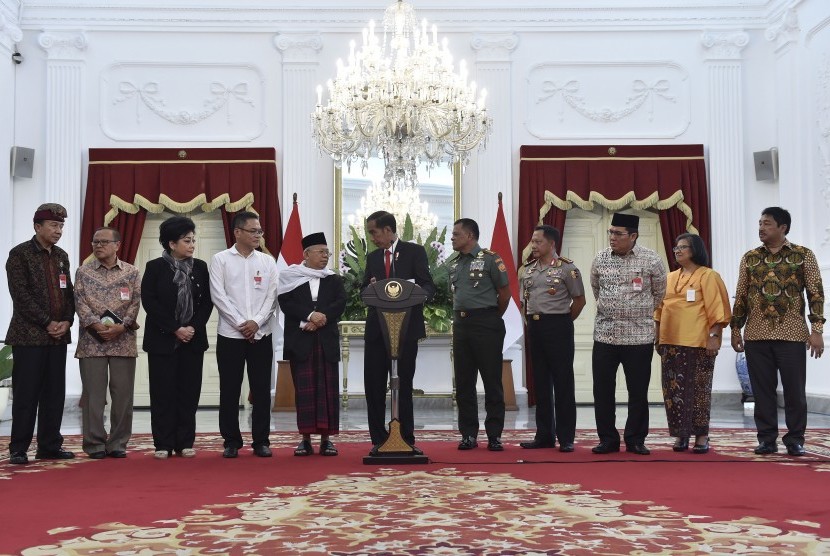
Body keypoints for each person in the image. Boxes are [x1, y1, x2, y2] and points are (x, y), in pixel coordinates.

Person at [731, 207, 825, 457]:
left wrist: (817, 330)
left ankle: (795, 439)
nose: (761, 228)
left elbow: (815, 294)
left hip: (792, 335)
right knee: (762, 392)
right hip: (756, 335)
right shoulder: (750, 257)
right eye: (760, 223)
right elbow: (741, 294)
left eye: (767, 224)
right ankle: (767, 439)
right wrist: (735, 329)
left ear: (783, 227)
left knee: (795, 391)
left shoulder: (803, 255)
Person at [590, 212, 667, 456]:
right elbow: (595, 289)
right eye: (610, 232)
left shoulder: (651, 260)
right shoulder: (600, 259)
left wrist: (636, 312)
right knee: (602, 391)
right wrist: (612, 308)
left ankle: (635, 439)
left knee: (638, 390)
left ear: (633, 236)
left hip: (638, 337)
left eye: (618, 233)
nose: (612, 237)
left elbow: (659, 293)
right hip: (605, 335)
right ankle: (607, 439)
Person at [5, 203, 76, 465]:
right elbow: (20, 296)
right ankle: (19, 448)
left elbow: (68, 292)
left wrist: (67, 320)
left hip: (58, 336)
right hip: (29, 337)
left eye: (61, 226)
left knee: (54, 393)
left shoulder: (61, 256)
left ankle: (49, 445)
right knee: (26, 394)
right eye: (54, 226)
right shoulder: (19, 254)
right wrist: (47, 321)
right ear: (38, 227)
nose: (58, 231)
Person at [361, 210, 435, 454]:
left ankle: (405, 436)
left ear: (388, 230)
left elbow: (427, 286)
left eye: (374, 232)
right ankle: (378, 438)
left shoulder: (414, 252)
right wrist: (372, 289)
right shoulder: (372, 257)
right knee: (373, 386)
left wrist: (408, 290)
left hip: (405, 331)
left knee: (402, 384)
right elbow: (363, 291)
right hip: (376, 332)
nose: (372, 237)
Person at [141, 216, 213, 459]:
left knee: (188, 392)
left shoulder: (201, 267)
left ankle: (185, 441)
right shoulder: (155, 268)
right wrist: (175, 328)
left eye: (193, 240)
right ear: (171, 243)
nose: (192, 245)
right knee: (163, 393)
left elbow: (206, 303)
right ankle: (163, 443)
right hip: (163, 339)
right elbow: (150, 302)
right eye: (186, 240)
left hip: (193, 340)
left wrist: (191, 327)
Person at [210, 211, 279, 458]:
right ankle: (231, 441)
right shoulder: (220, 259)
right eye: (254, 231)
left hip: (261, 334)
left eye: (260, 231)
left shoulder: (267, 261)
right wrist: (242, 324)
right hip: (231, 334)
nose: (258, 235)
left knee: (261, 389)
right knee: (229, 388)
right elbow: (219, 295)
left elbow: (272, 297)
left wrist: (256, 323)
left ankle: (261, 440)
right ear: (237, 232)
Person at [655, 233, 730, 454]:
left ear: (695, 249)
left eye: (683, 247)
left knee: (699, 391)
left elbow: (719, 310)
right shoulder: (669, 278)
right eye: (676, 247)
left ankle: (701, 436)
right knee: (673, 392)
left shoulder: (708, 276)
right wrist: (657, 335)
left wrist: (714, 337)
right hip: (670, 343)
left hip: (698, 343)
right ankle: (680, 435)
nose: (677, 251)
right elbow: (659, 310)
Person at [74, 227, 142, 459]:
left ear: (117, 245)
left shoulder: (132, 272)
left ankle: (118, 443)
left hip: (123, 341)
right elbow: (79, 302)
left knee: (123, 396)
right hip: (92, 342)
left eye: (104, 242)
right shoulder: (83, 272)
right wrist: (96, 325)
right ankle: (94, 444)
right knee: (93, 396)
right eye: (95, 242)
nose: (98, 245)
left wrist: (122, 326)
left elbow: (135, 302)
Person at [278, 233, 346, 456]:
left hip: (325, 339)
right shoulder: (290, 276)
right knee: (305, 392)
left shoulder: (333, 279)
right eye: (320, 252)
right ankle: (305, 439)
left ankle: (327, 439)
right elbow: (286, 303)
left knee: (327, 390)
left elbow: (339, 303)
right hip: (302, 340)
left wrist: (319, 319)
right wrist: (309, 315)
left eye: (327, 252)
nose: (325, 256)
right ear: (306, 254)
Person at [519, 225, 586, 452]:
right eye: (532, 241)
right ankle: (544, 435)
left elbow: (579, 301)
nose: (533, 246)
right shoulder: (527, 269)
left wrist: (564, 322)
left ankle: (566, 437)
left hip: (558, 326)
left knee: (563, 382)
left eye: (538, 242)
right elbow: (524, 303)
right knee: (540, 383)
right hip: (535, 328)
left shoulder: (568, 269)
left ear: (551, 244)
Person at [448, 218, 511, 451]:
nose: (452, 238)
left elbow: (504, 293)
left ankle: (494, 435)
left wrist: (492, 316)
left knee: (492, 381)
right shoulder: (453, 264)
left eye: (456, 234)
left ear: (470, 236)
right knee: (464, 382)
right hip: (461, 325)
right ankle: (468, 434)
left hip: (486, 323)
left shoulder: (490, 259)